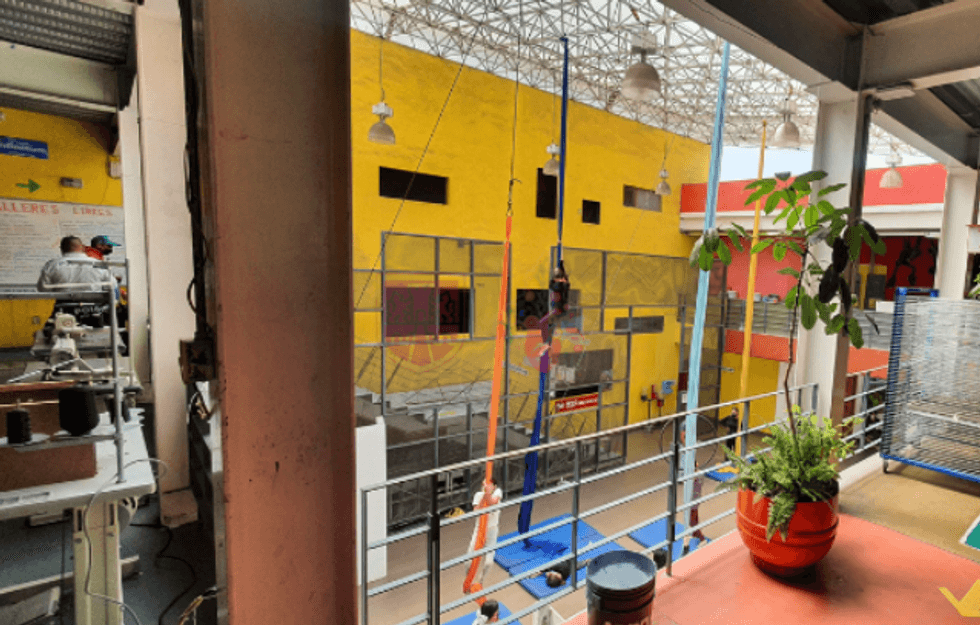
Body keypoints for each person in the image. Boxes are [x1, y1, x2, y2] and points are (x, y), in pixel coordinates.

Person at [37, 236, 113, 292]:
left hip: (63, 309)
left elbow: (43, 289)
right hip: (95, 310)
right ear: (83, 248)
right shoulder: (98, 264)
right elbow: (112, 286)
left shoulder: (52, 265)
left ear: (62, 249)